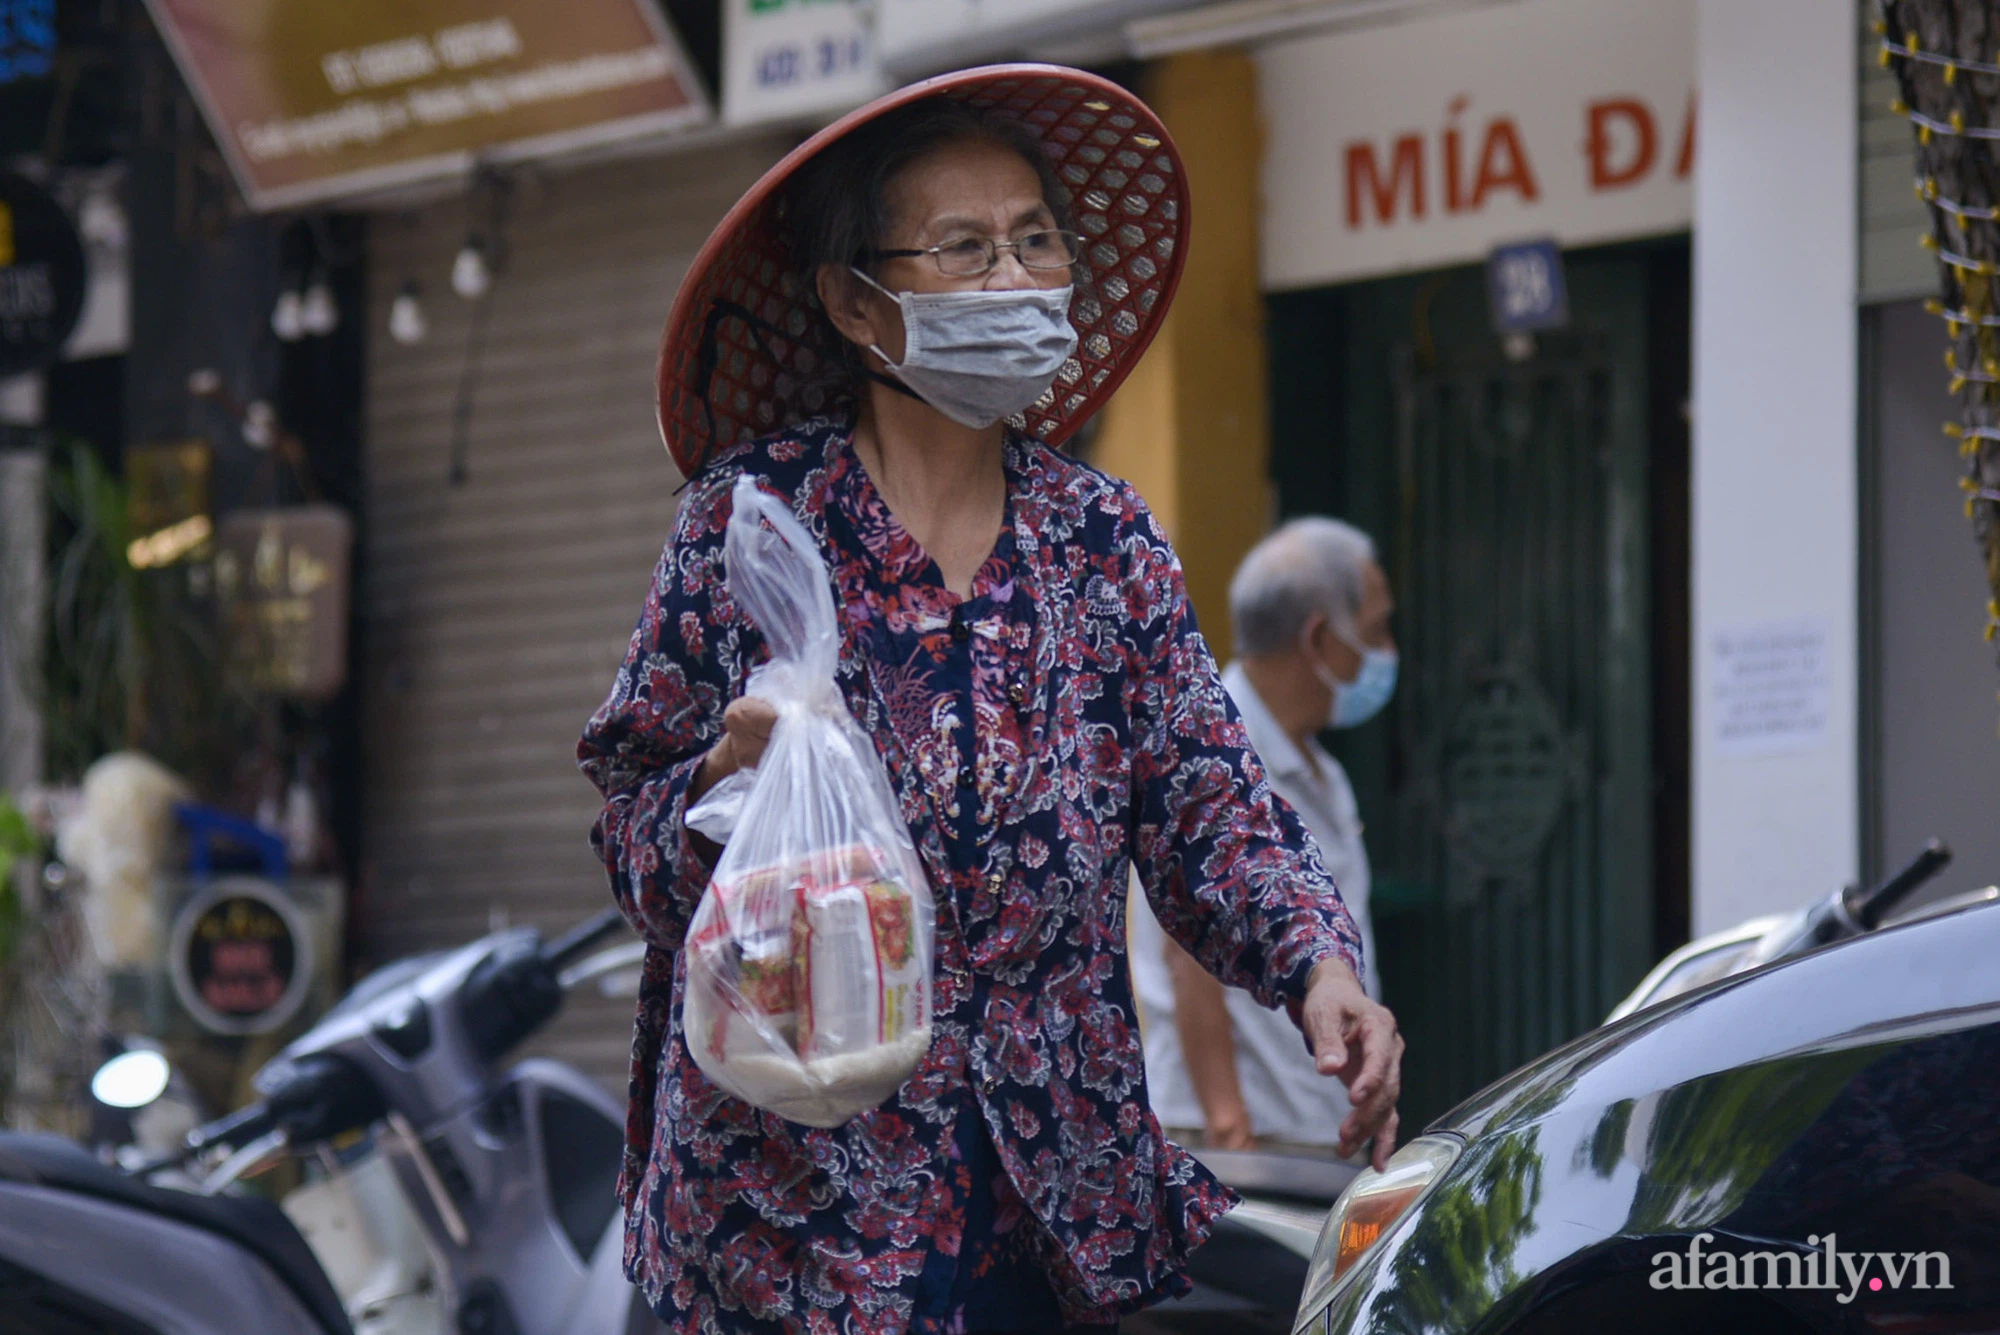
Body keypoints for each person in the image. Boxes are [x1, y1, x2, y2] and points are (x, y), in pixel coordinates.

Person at [577, 66, 1402, 1335]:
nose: (1015, 279)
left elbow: (1203, 803)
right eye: (964, 249)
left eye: (1034, 241)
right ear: (857, 300)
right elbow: (630, 830)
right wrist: (711, 791)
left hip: (1048, 1202)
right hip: (795, 1220)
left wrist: (1316, 968)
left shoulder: (1101, 538)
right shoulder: (751, 529)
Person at [1130, 519, 1397, 1159]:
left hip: (1311, 1135)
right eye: (1377, 629)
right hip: (1247, 1148)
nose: (1387, 650)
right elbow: (1186, 959)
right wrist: (1230, 1134)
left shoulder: (1323, 774)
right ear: (1319, 638)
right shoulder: (1211, 757)